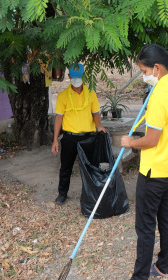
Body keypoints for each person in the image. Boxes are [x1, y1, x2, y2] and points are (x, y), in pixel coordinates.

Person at [121, 44, 168, 280]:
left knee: (145, 226)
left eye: (144, 71)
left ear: (157, 68)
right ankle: (163, 265)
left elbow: (151, 139)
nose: (143, 76)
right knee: (165, 216)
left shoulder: (161, 95)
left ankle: (140, 276)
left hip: (155, 170)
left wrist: (130, 143)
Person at [51, 63, 106, 205]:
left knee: (90, 167)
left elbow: (95, 113)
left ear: (83, 76)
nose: (76, 80)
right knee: (65, 167)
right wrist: (55, 140)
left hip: (88, 137)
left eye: (79, 77)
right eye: (74, 77)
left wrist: (99, 126)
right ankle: (62, 194)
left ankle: (91, 194)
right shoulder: (63, 96)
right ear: (69, 77)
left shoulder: (91, 93)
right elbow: (58, 118)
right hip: (69, 138)